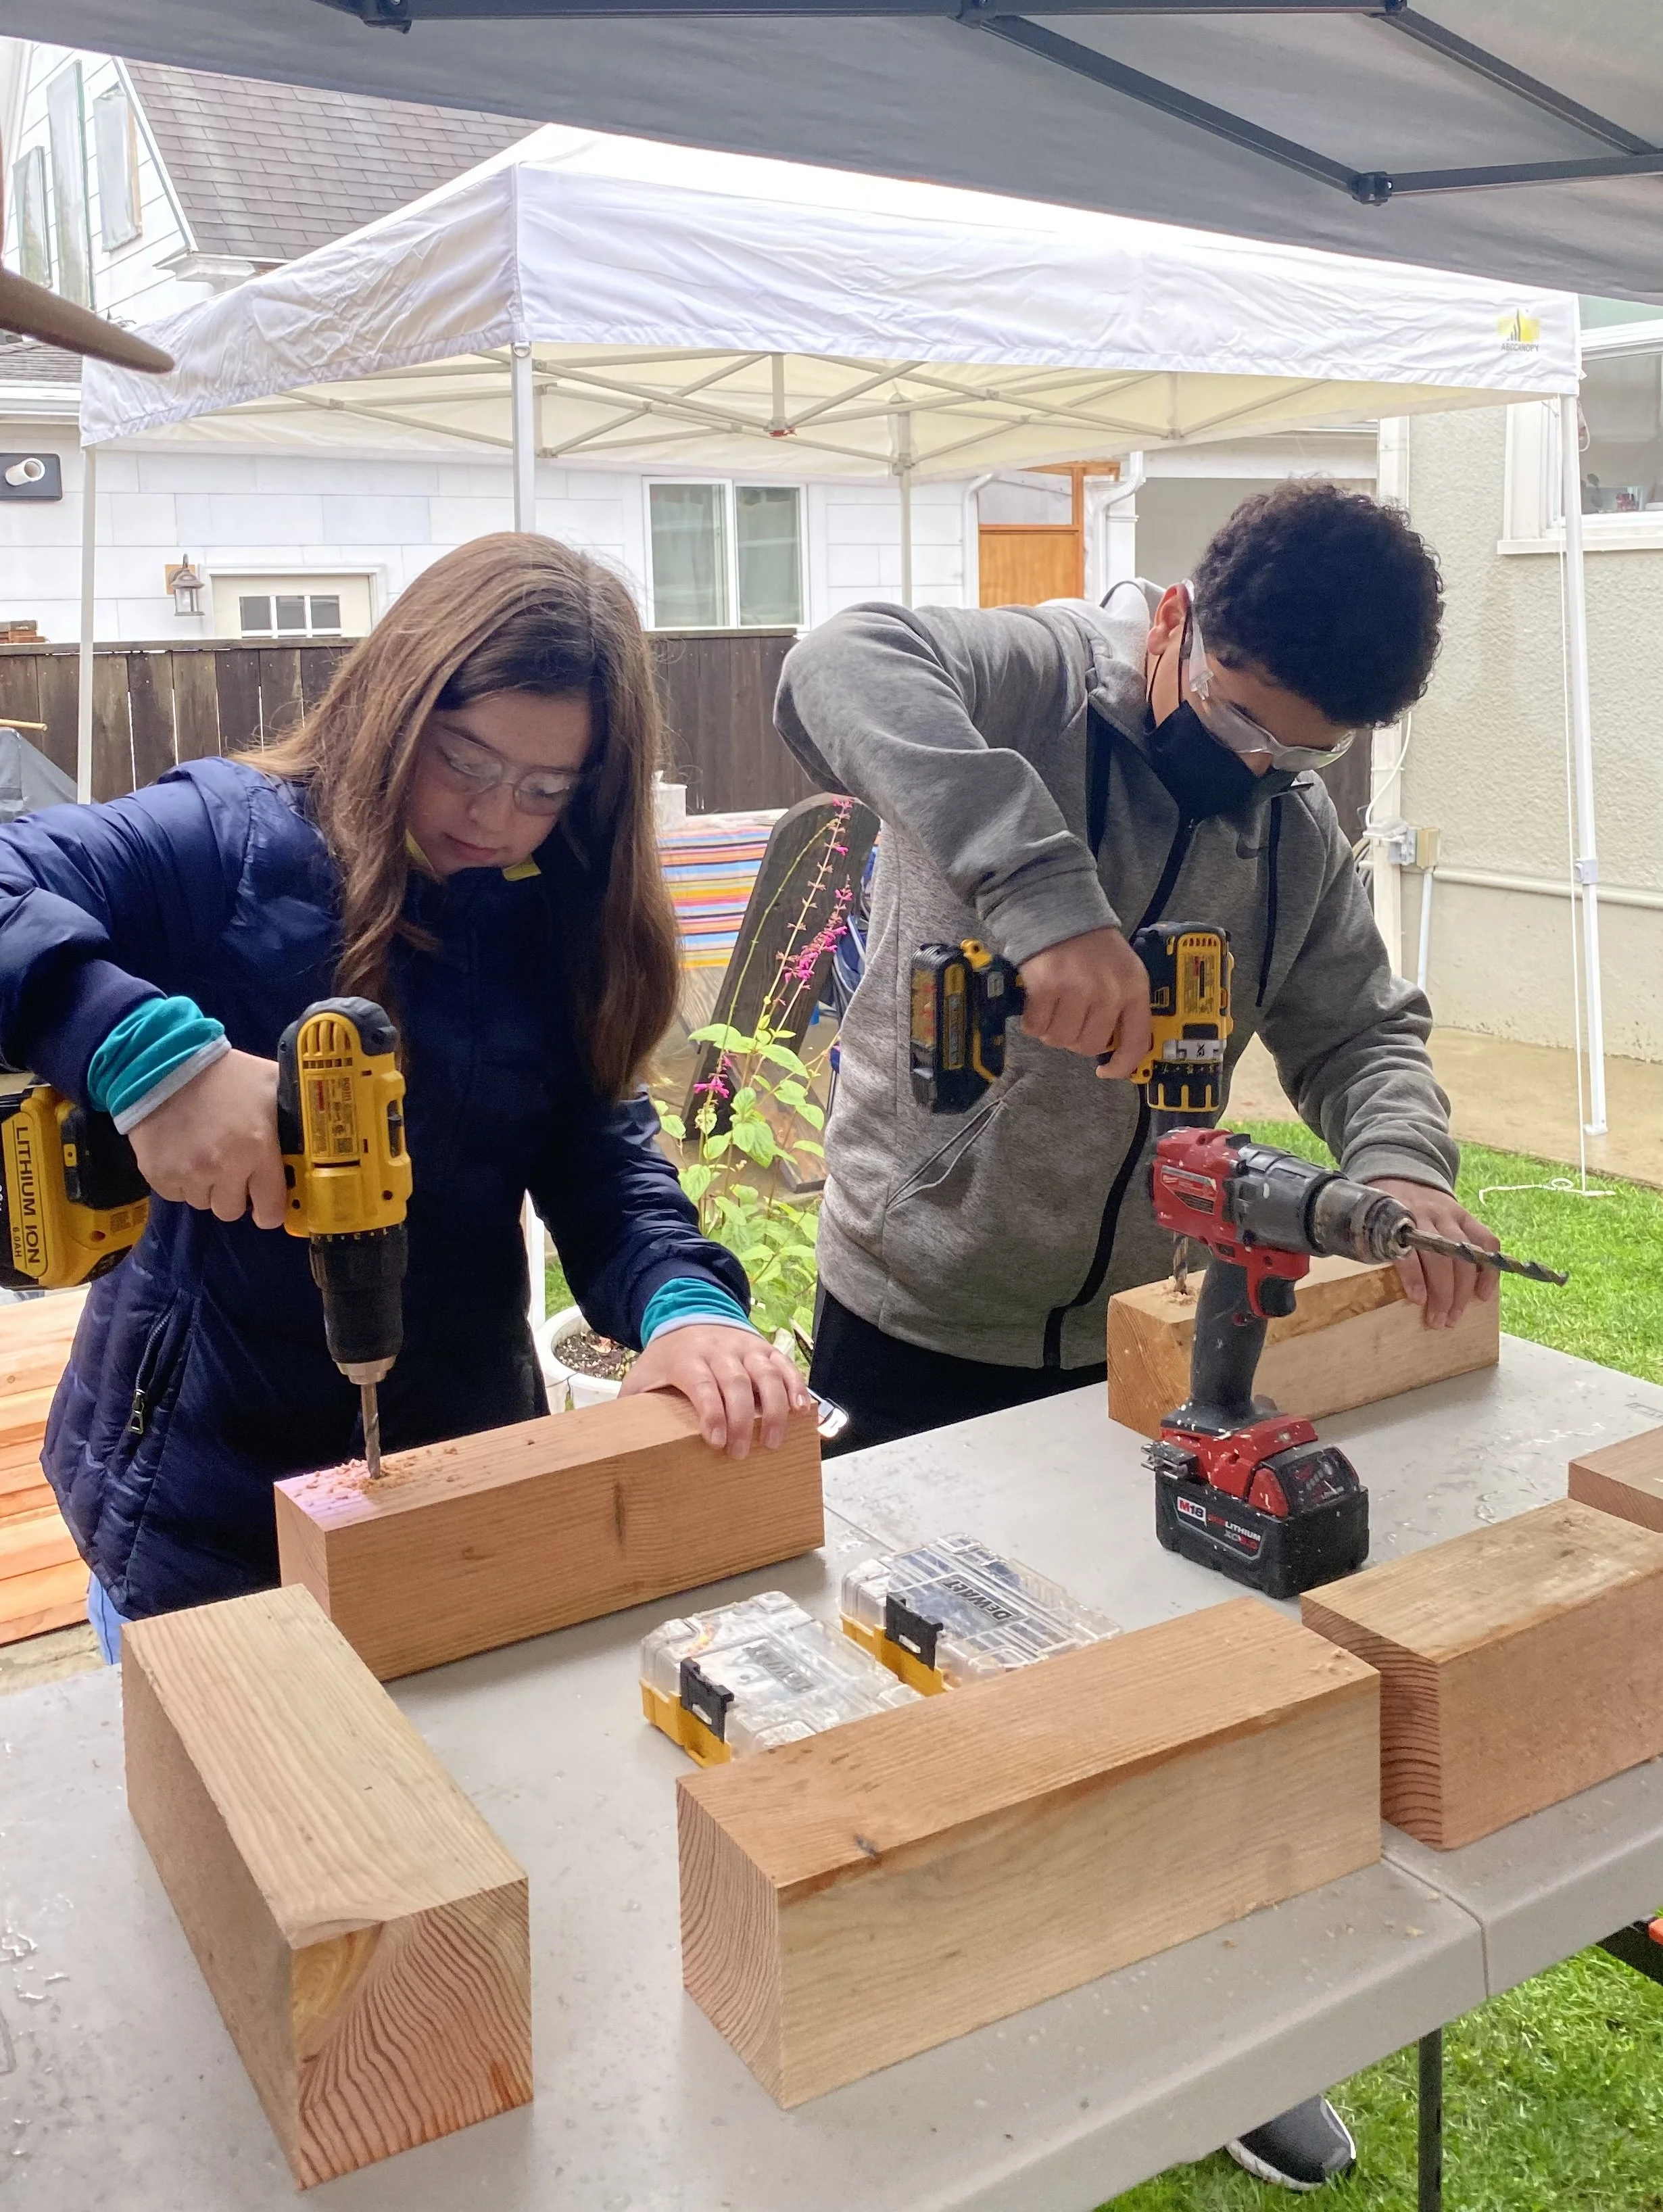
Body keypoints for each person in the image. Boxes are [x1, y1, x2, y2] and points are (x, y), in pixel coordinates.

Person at [775, 479, 1496, 2192]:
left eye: (1301, 757)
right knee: (912, 1680)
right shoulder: (1026, 679)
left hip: (1141, 1340)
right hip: (915, 1309)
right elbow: (834, 658)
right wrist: (1040, 888)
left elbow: (1362, 1031)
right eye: (1246, 724)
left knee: (1154, 1677)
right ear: (1174, 624)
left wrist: (1402, 1165)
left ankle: (1216, 2035)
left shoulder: (1290, 833)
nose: (1261, 772)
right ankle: (917, 2018)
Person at [9, 535, 806, 1656]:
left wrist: (685, 1308)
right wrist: (144, 1054)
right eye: (467, 761)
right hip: (204, 1518)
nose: (495, 818)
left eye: (544, 789)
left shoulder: (556, 914)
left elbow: (602, 1165)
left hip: (453, 1485)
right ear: (398, 699)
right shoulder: (227, 844)